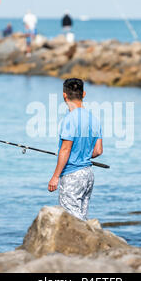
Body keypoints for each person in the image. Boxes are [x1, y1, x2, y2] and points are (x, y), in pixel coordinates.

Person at [48, 78, 103, 221]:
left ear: (64, 95)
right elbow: (98, 151)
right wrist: (82, 155)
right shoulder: (94, 119)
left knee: (72, 221)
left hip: (72, 175)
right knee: (82, 218)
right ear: (83, 94)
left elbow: (65, 150)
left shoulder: (69, 119)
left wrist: (55, 176)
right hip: (88, 175)